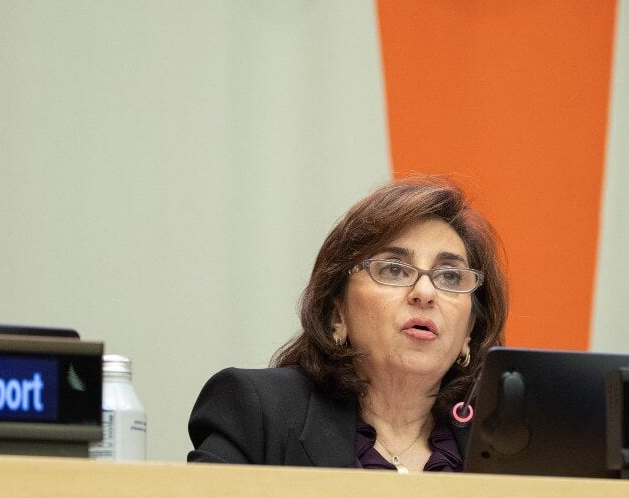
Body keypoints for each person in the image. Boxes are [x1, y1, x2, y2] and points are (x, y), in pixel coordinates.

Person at [188, 175, 509, 471]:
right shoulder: (258, 413)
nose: (424, 292)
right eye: (394, 269)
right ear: (337, 313)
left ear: (469, 330)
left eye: (450, 276)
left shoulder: (510, 446)